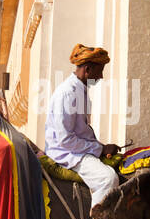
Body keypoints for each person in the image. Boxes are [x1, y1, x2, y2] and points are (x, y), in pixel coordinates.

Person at [44, 43, 121, 206]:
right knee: (107, 179)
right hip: (65, 152)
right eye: (100, 71)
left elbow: (82, 132)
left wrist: (102, 146)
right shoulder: (68, 93)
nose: (101, 77)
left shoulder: (81, 90)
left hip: (77, 148)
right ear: (88, 70)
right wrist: (100, 149)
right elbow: (65, 140)